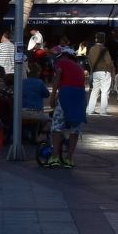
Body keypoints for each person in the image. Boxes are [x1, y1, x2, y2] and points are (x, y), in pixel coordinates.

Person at [47, 38, 88, 168]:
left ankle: (54, 157)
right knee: (74, 129)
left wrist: (53, 96)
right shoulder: (78, 67)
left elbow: (58, 75)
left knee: (57, 126)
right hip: (80, 96)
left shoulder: (62, 62)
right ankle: (69, 158)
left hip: (67, 94)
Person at [88, 37, 115, 117]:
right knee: (105, 91)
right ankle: (103, 111)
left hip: (95, 71)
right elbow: (109, 62)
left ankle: (90, 109)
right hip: (105, 71)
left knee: (94, 91)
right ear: (104, 40)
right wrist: (111, 70)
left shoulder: (91, 49)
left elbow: (89, 60)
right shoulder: (104, 49)